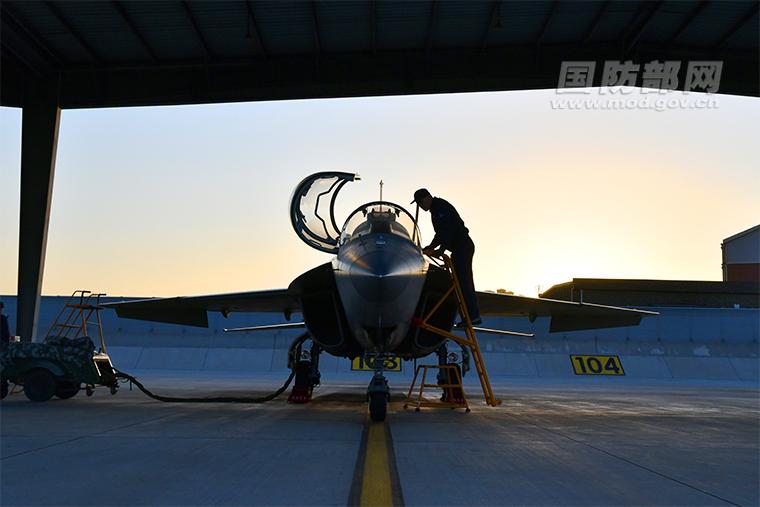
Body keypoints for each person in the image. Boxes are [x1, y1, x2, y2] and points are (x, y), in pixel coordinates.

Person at [411, 188, 481, 327]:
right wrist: (431, 247)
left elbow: (449, 230)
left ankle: (473, 316)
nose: (420, 206)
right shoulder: (435, 210)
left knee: (464, 282)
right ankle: (470, 317)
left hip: (462, 247)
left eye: (420, 202)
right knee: (459, 283)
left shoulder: (440, 208)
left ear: (427, 198)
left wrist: (441, 250)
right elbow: (440, 234)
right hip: (458, 249)